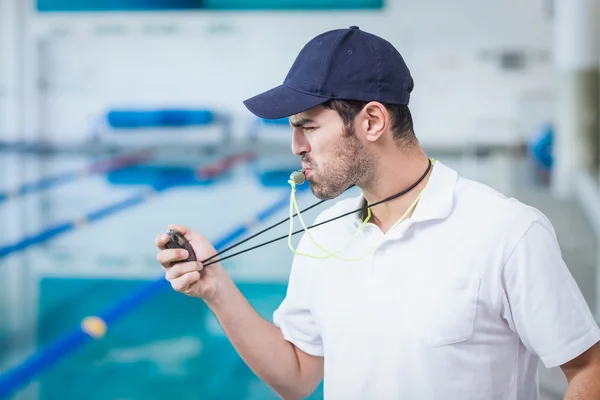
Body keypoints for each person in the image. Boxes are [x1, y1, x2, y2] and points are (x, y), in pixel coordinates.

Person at [156, 26, 600, 399]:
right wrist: (215, 289)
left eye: (307, 126)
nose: (296, 148)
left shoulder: (506, 232)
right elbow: (296, 375)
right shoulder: (322, 237)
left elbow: (588, 368)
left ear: (371, 121)